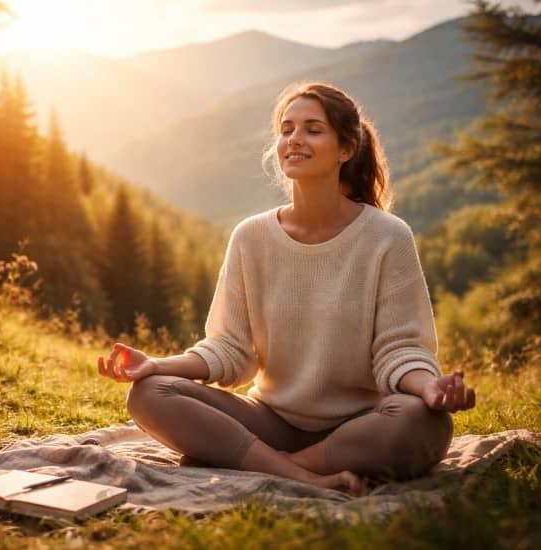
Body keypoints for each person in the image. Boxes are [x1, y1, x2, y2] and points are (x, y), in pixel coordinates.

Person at [97, 82, 476, 495]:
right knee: (150, 394)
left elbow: (400, 350)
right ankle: (297, 472)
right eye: (286, 129)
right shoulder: (251, 237)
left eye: (313, 129)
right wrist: (155, 364)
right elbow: (229, 349)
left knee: (422, 421)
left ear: (346, 148)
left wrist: (429, 387)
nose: (294, 139)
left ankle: (268, 465)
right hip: (268, 421)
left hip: (361, 428)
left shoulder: (387, 237)